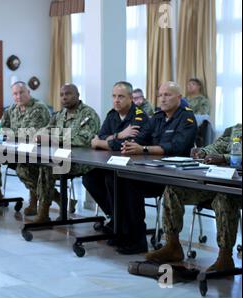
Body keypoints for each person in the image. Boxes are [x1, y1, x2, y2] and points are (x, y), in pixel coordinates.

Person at [84, 81, 198, 254]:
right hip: (150, 169)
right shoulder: (157, 118)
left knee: (129, 185)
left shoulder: (187, 118)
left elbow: (177, 147)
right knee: (117, 180)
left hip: (172, 174)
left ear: (179, 97)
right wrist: (127, 144)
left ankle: (137, 240)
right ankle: (122, 231)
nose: (163, 99)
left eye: (168, 95)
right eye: (160, 95)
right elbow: (140, 137)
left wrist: (143, 149)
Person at [146, 124, 242, 272]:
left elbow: (226, 154)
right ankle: (172, 246)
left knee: (225, 196)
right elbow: (220, 145)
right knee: (174, 189)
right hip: (219, 179)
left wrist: (224, 157)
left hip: (236, 188)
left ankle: (225, 256)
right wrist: (203, 152)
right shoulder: (236, 128)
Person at [86, 81, 149, 232]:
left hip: (133, 166)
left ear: (130, 98)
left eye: (121, 96)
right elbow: (100, 136)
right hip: (112, 163)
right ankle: (115, 216)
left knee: (111, 179)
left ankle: (120, 222)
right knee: (90, 178)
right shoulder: (112, 115)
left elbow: (126, 145)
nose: (116, 100)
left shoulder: (139, 116)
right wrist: (119, 135)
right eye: (114, 96)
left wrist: (102, 142)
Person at [34, 84, 101, 223]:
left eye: (68, 94)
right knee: (34, 166)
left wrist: (52, 139)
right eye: (62, 95)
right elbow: (45, 130)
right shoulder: (59, 115)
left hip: (82, 161)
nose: (64, 97)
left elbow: (83, 139)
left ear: (78, 95)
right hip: (60, 158)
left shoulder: (88, 114)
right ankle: (49, 209)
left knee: (47, 167)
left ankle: (44, 212)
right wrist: (39, 136)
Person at [0, 81, 51, 215]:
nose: (18, 96)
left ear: (28, 92)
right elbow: (1, 126)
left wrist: (9, 133)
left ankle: (46, 199)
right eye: (15, 93)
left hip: (38, 152)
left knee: (24, 169)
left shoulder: (39, 108)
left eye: (21, 92)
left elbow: (31, 134)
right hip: (17, 151)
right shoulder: (12, 109)